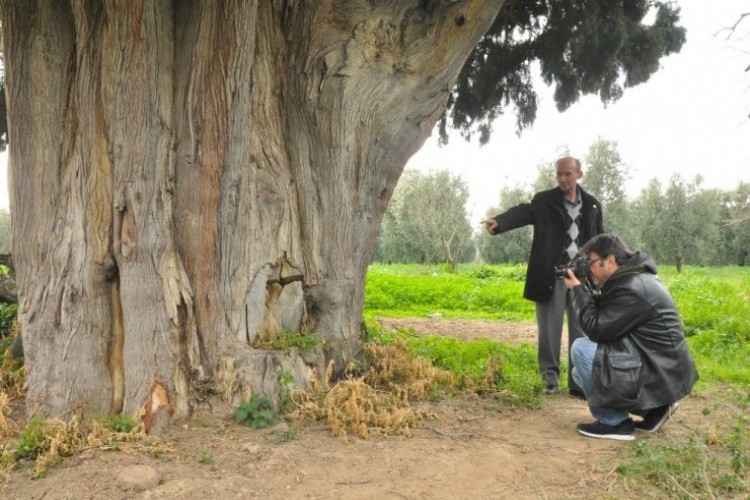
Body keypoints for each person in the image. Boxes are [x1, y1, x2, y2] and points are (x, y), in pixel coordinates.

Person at [482, 156, 603, 397]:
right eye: (559, 174)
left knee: (582, 329)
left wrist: (603, 270)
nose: (562, 179)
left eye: (567, 174)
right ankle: (549, 380)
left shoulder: (592, 205)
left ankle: (578, 383)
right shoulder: (544, 201)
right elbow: (523, 212)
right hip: (551, 276)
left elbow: (599, 239)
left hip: (581, 278)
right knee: (549, 330)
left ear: (579, 174)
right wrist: (500, 222)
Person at [563, 233, 699, 441]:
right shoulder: (633, 278)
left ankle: (614, 423)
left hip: (658, 369)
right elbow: (607, 320)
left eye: (590, 263)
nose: (588, 269)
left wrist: (578, 291)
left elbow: (597, 330)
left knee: (581, 349)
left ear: (609, 261)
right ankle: (655, 410)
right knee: (579, 374)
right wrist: (585, 286)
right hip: (661, 368)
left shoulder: (631, 287)